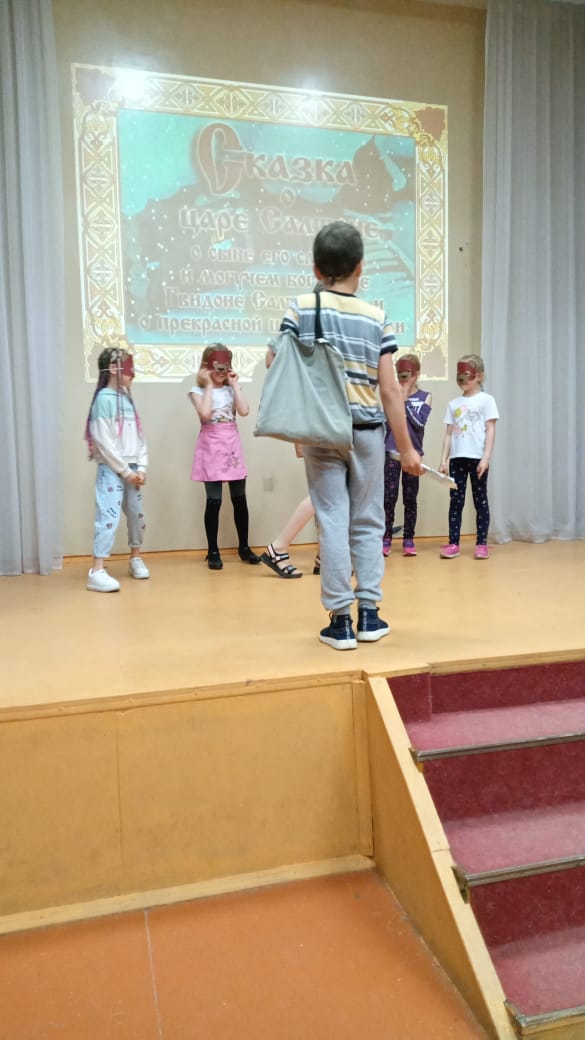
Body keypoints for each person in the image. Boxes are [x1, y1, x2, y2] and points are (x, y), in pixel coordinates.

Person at [269, 220, 422, 650]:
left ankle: (339, 623)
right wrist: (407, 448)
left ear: (316, 270)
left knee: (332, 520)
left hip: (322, 432)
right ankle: (370, 615)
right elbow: (390, 390)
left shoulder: (302, 307)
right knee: (368, 522)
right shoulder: (376, 317)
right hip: (368, 432)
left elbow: (274, 362)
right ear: (360, 267)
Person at [84, 342, 149, 592]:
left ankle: (135, 558)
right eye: (129, 367)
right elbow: (104, 440)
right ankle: (97, 570)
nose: (134, 373)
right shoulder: (104, 399)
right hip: (112, 470)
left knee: (137, 515)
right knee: (108, 517)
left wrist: (141, 467)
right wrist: (125, 471)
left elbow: (139, 437)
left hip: (132, 469)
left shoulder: (126, 399)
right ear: (113, 368)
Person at [189, 344, 260, 570]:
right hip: (211, 445)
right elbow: (205, 414)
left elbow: (244, 410)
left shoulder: (231, 390)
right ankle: (213, 550)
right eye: (217, 367)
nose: (221, 371)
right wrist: (209, 385)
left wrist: (235, 384)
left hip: (231, 445)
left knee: (239, 498)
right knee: (214, 500)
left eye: (225, 367)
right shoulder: (197, 391)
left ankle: (244, 547)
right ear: (206, 367)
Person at [438, 353, 499, 560]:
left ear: (478, 375)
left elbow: (490, 429)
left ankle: (481, 544)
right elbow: (448, 434)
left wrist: (486, 458)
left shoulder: (487, 401)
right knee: (456, 502)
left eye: (466, 375)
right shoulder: (453, 404)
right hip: (457, 460)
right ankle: (453, 543)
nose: (461, 379)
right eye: (459, 375)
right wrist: (444, 460)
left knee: (480, 501)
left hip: (477, 459)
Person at [383, 353, 432, 557]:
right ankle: (386, 538)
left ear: (416, 374)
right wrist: (396, 399)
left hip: (414, 455)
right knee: (388, 498)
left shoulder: (425, 396)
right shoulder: (391, 395)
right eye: (400, 374)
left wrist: (403, 402)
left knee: (410, 498)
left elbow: (419, 423)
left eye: (407, 374)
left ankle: (408, 539)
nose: (403, 379)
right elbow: (387, 425)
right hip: (392, 453)